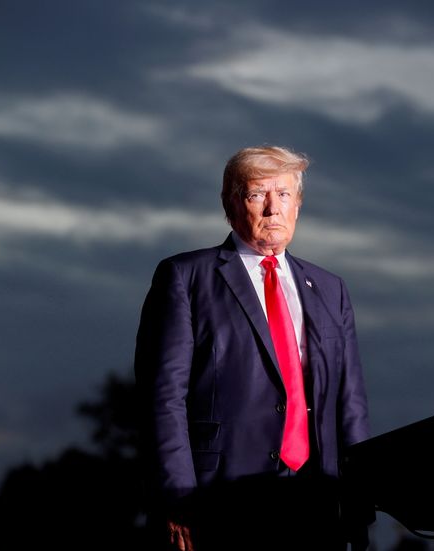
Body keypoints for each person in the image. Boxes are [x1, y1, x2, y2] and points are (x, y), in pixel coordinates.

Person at [134, 145, 372, 551]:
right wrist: (178, 495)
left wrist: (361, 500)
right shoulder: (186, 277)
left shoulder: (330, 289)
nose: (272, 209)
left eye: (283, 195)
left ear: (298, 205)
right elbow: (164, 396)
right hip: (221, 500)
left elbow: (350, 404)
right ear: (230, 204)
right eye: (257, 194)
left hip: (316, 502)